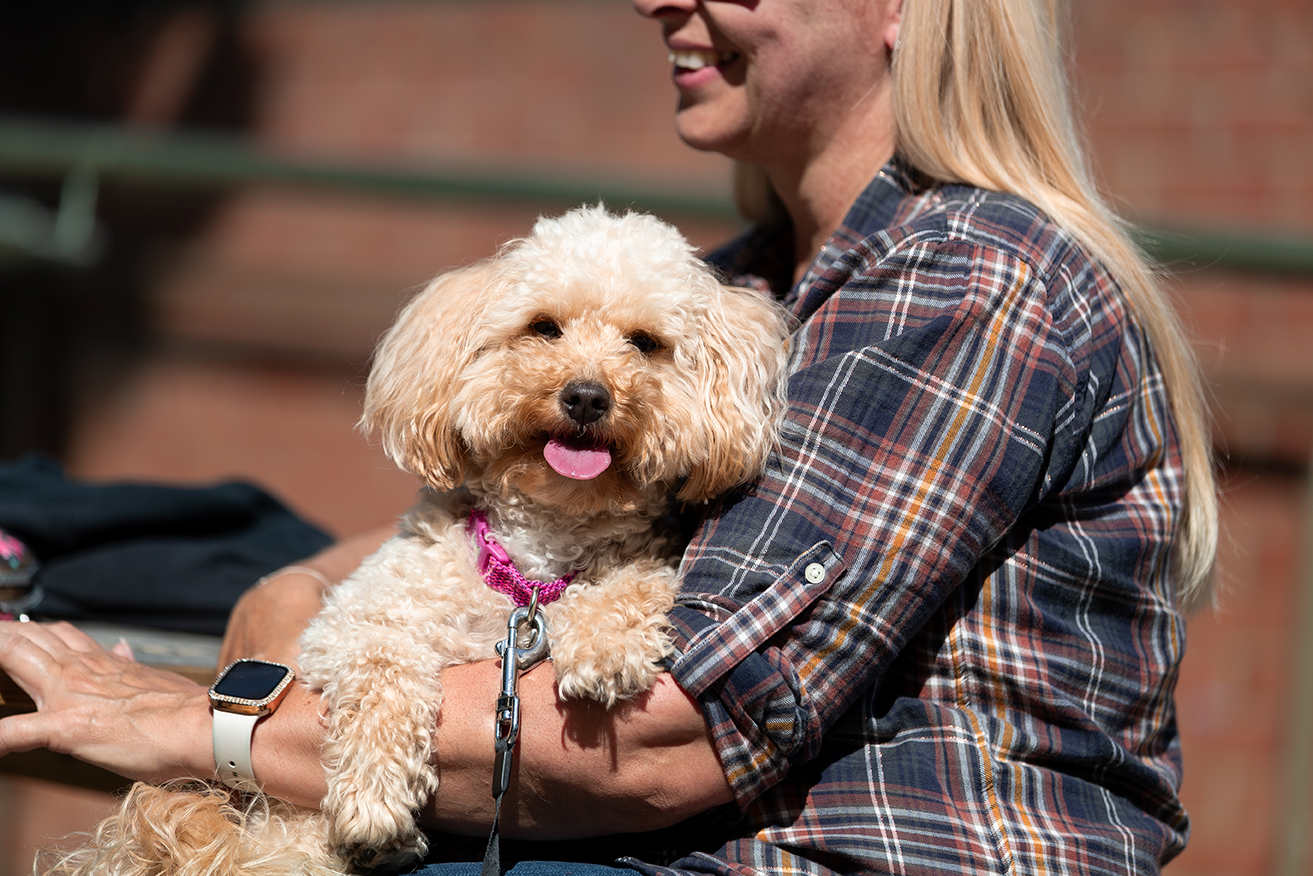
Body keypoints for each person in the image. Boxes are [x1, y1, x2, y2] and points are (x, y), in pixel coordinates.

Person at [0, 0, 1218, 873]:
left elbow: (660, 739)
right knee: (203, 546)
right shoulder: (760, 277)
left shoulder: (963, 286)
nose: (657, 2)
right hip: (665, 836)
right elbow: (479, 515)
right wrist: (294, 589)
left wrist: (214, 730)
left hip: (832, 851)